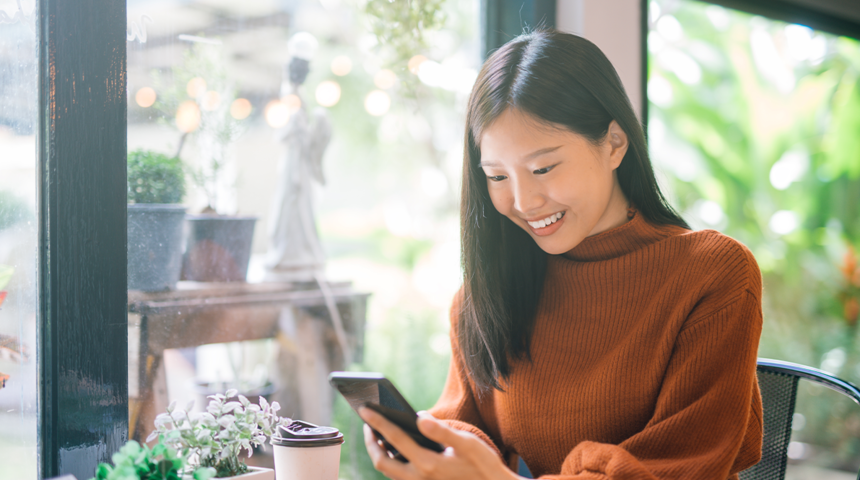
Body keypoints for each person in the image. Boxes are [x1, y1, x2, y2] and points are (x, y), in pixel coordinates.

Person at [359, 29, 763, 480]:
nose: (524, 201)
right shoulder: (487, 294)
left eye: (543, 168)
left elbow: (680, 468)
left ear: (614, 143)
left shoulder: (712, 274)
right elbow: (466, 422)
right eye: (496, 177)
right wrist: (434, 449)